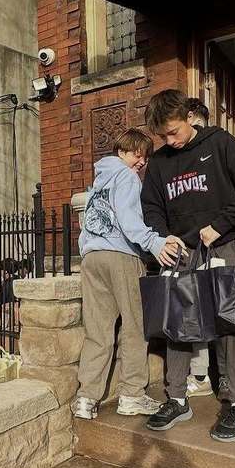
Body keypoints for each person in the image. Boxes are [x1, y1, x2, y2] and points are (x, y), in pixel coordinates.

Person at [141, 89, 235, 442]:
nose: (171, 141)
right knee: (177, 324)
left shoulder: (220, 143)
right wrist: (163, 236)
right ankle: (178, 398)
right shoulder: (161, 162)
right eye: (164, 136)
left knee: (232, 319)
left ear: (188, 118)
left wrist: (222, 224)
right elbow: (151, 206)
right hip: (181, 250)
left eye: (174, 132)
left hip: (223, 243)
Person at [74, 129, 185, 421]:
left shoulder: (98, 183)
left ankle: (86, 398)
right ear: (124, 151)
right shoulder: (125, 178)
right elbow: (129, 221)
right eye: (139, 153)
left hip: (92, 258)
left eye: (146, 157)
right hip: (121, 257)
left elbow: (88, 225)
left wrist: (88, 249)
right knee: (136, 327)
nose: (142, 161)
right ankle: (131, 395)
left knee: (98, 332)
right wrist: (156, 243)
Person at [184, 98, 215, 399]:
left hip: (217, 241)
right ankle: (202, 374)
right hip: (194, 244)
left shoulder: (216, 145)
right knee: (199, 309)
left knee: (214, 309)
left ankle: (208, 374)